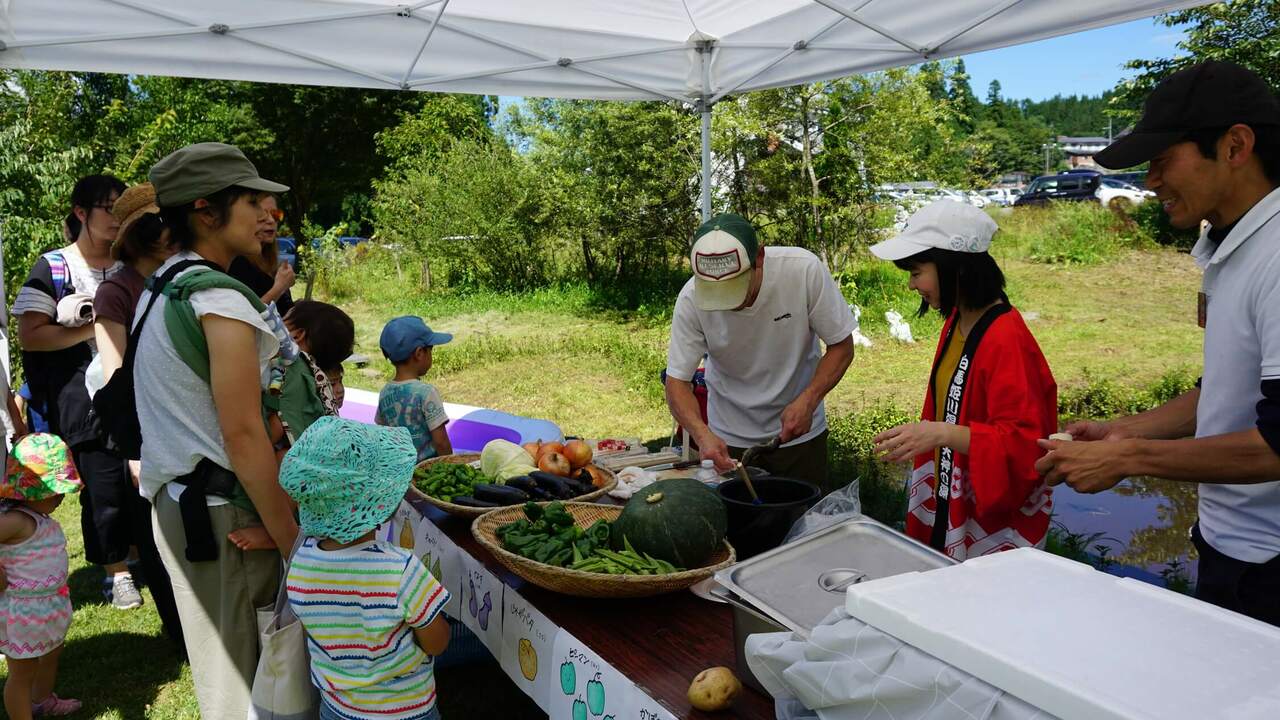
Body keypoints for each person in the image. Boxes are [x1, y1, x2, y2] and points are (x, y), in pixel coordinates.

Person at [1035, 61, 1280, 626]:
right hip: (1229, 545)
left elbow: (1277, 443)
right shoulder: (1233, 246)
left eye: (1163, 160)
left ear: (1235, 146)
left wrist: (1129, 457)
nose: (1150, 182)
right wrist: (1127, 430)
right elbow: (1228, 391)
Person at [133, 142, 298, 719]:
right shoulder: (218, 298)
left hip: (182, 506)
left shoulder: (163, 283)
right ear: (205, 211)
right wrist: (289, 538)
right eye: (251, 201)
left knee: (222, 676)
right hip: (223, 515)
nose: (267, 213)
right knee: (248, 687)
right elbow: (243, 434)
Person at [869, 201, 1056, 560]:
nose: (911, 285)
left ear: (956, 268)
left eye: (916, 272)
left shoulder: (1005, 338)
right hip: (952, 494)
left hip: (988, 518)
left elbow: (1027, 445)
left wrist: (941, 434)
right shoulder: (958, 319)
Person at [12, 174, 138, 607]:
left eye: (123, 208)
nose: (117, 217)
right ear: (81, 212)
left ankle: (140, 552)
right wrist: (98, 326)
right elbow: (31, 335)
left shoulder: (134, 261)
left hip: (135, 387)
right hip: (80, 398)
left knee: (140, 478)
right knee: (103, 486)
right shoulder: (54, 266)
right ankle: (116, 572)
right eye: (109, 207)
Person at [665, 213, 856, 493]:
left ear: (760, 258)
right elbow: (677, 382)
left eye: (735, 288)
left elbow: (842, 346)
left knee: (803, 515)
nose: (729, 303)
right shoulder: (690, 298)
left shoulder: (802, 270)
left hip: (800, 437)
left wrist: (809, 400)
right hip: (727, 439)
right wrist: (702, 434)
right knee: (738, 518)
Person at [279, 417, 451, 720]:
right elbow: (437, 643)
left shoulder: (301, 563)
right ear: (381, 503)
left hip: (337, 709)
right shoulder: (400, 569)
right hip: (405, 710)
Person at [85, 182, 185, 641]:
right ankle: (178, 632)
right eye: (168, 225)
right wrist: (135, 451)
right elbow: (116, 379)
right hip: (144, 433)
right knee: (155, 536)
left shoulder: (178, 277)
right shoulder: (116, 292)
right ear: (148, 235)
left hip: (182, 423)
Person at [0, 434, 85, 719]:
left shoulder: (38, 517)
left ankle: (43, 700)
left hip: (48, 605)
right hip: (22, 611)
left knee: (50, 655)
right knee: (22, 672)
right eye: (55, 491)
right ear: (29, 492)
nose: (61, 497)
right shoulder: (15, 520)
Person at [376, 316, 454, 462]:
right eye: (430, 350)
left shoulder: (385, 392)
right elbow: (441, 442)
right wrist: (451, 465)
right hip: (428, 471)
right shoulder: (426, 393)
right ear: (419, 353)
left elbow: (382, 435)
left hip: (401, 470)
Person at [227, 194, 295, 316]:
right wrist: (280, 287)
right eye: (262, 215)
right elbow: (247, 316)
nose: (271, 220)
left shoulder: (269, 260)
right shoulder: (237, 262)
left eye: (276, 214)